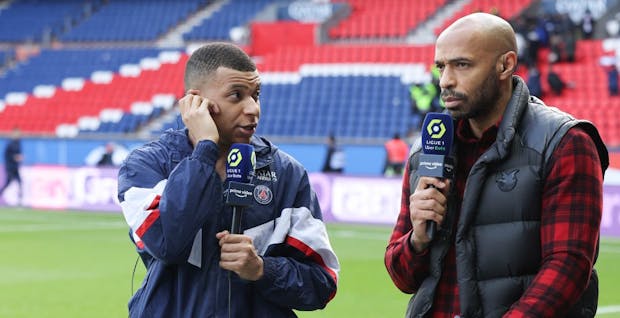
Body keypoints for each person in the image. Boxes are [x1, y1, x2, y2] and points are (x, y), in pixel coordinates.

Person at [385, 12, 608, 317]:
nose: (446, 80)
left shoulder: (565, 142)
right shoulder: (426, 150)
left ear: (506, 65)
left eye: (462, 65)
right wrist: (418, 240)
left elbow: (568, 268)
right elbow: (402, 277)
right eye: (441, 67)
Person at [117, 42, 339, 317]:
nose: (253, 109)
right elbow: (168, 244)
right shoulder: (148, 165)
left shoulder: (287, 174)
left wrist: (261, 269)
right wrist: (205, 150)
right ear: (196, 102)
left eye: (256, 95)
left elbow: (321, 283)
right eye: (236, 95)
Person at [0, 127, 23, 203]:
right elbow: (7, 155)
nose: (18, 135)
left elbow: (18, 154)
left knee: (20, 182)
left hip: (15, 167)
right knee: (8, 183)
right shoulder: (10, 144)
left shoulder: (18, 143)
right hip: (10, 167)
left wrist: (19, 158)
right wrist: (14, 157)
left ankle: (20, 200)